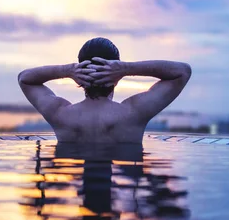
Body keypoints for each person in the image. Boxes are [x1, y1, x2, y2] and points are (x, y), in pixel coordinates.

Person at [18, 37, 191, 143]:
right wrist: (125, 68)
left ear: (80, 74)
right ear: (116, 75)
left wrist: (67, 70)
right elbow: (182, 72)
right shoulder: (134, 113)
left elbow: (24, 79)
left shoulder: (59, 113)